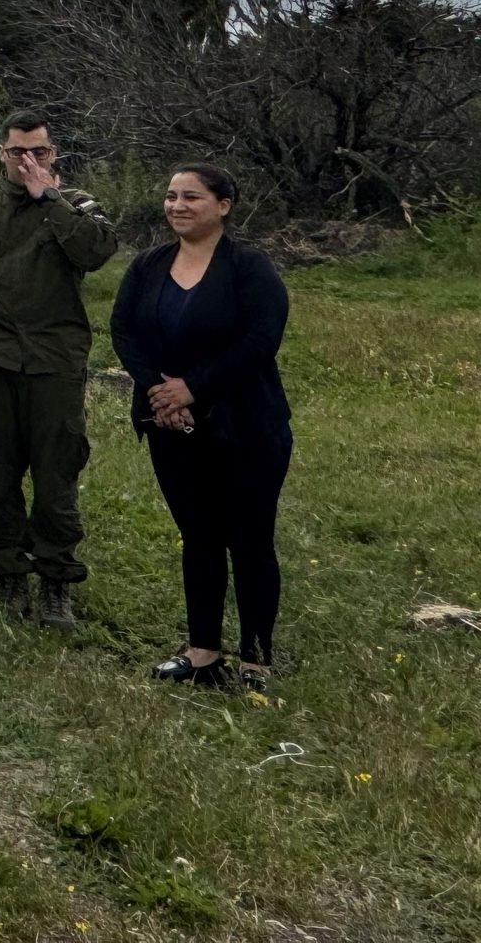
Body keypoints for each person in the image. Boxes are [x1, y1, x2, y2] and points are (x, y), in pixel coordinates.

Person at [110, 165, 292, 691]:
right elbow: (124, 328)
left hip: (246, 427)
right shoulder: (148, 265)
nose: (177, 206)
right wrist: (157, 392)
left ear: (224, 204)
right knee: (199, 538)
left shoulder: (249, 269)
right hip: (171, 426)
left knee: (251, 541)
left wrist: (193, 387)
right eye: (170, 196)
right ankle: (203, 653)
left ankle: (255, 659)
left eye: (191, 196)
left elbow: (261, 340)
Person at [0, 110, 118, 627]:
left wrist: (50, 198)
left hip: (53, 362)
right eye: (18, 152)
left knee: (56, 475)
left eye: (38, 152)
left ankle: (56, 582)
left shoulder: (78, 206)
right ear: (2, 153)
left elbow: (95, 251)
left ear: (53, 154)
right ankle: (8, 574)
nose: (28, 161)